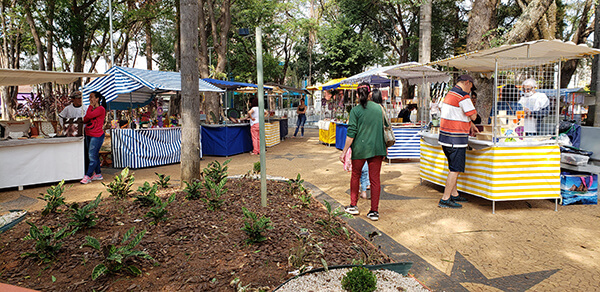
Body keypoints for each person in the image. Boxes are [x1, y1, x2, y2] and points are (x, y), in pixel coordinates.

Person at [339, 82, 387, 221]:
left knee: (355, 175)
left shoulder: (355, 111)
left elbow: (351, 133)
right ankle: (374, 211)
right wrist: (386, 149)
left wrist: (344, 152)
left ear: (357, 94)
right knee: (375, 180)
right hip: (377, 148)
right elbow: (386, 129)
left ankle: (353, 205)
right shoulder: (379, 109)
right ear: (370, 93)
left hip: (360, 149)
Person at [438, 74, 479, 209]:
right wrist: (473, 120)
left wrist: (470, 125)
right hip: (456, 139)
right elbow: (473, 116)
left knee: (452, 168)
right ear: (467, 82)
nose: (470, 91)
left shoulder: (450, 94)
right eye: (471, 87)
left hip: (445, 138)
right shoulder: (463, 96)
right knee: (455, 169)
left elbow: (458, 114)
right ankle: (445, 198)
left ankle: (454, 194)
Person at [80, 91, 107, 184]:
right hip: (89, 134)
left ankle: (88, 175)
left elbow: (89, 116)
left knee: (92, 156)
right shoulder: (91, 109)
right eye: (89, 97)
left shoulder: (101, 109)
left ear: (97, 99)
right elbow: (85, 119)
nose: (90, 99)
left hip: (97, 135)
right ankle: (98, 174)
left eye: (91, 97)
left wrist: (90, 107)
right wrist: (89, 110)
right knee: (93, 155)